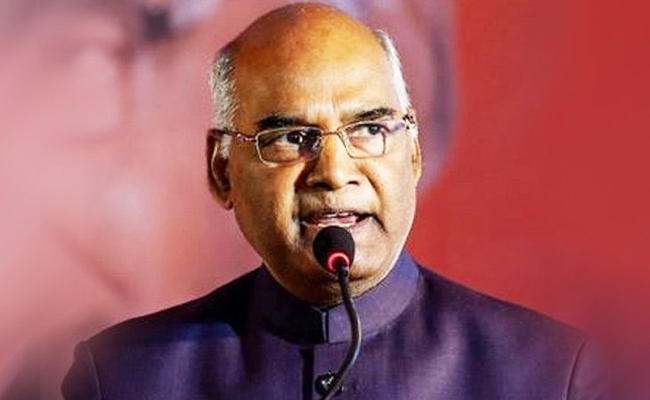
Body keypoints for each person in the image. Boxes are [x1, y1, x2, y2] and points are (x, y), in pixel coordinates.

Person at [62, 3, 605, 399]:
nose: (334, 173)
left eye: (370, 129)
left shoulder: (552, 374)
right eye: (291, 137)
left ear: (413, 153)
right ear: (222, 170)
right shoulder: (126, 378)